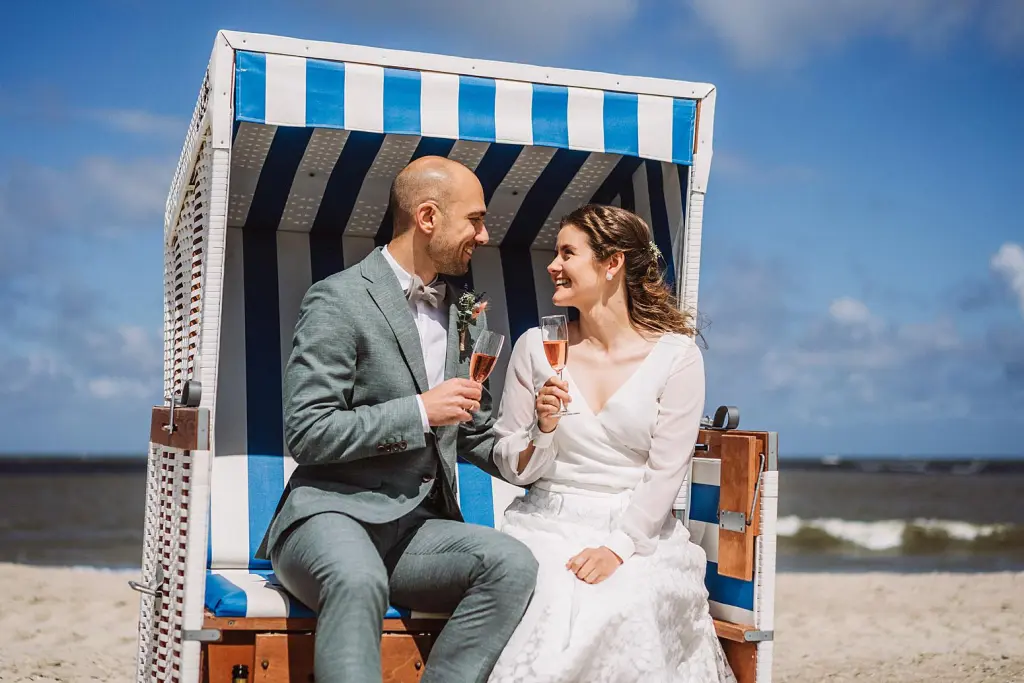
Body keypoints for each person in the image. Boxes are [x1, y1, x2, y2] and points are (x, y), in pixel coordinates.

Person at [257, 156, 539, 683]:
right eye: (475, 220)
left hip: (416, 534)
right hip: (329, 517)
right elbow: (308, 432)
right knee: (359, 579)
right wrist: (418, 411)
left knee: (512, 565)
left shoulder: (462, 312)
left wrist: (544, 441)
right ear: (428, 217)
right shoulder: (337, 299)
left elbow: (473, 432)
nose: (483, 235)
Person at [486, 204, 736, 683]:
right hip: (545, 523)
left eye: (567, 253)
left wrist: (617, 549)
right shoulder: (534, 347)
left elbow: (666, 473)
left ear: (612, 263)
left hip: (637, 532)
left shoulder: (677, 357)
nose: (552, 265)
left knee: (626, 601)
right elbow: (513, 468)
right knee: (553, 599)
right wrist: (543, 428)